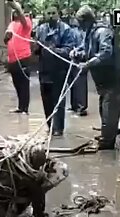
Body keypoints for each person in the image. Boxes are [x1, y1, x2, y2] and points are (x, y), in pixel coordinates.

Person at [73, 6, 120, 150]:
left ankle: (107, 144)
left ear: (86, 20)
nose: (78, 25)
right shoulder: (89, 32)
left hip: (115, 78)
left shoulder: (102, 32)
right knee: (103, 109)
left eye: (79, 22)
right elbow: (88, 50)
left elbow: (105, 53)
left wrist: (87, 64)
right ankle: (107, 135)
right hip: (104, 80)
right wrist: (78, 53)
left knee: (109, 111)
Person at [34, 5, 75, 136]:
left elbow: (69, 50)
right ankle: (50, 125)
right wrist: (36, 46)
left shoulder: (66, 29)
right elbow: (36, 50)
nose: (51, 15)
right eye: (48, 13)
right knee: (46, 100)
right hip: (44, 70)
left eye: (53, 13)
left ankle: (58, 128)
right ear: (45, 15)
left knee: (58, 100)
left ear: (58, 14)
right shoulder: (41, 29)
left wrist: (54, 50)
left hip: (59, 71)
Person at [3, 0, 32, 114]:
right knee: (17, 84)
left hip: (23, 58)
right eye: (13, 11)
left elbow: (21, 14)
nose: (15, 13)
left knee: (24, 84)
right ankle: (20, 107)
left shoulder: (26, 23)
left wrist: (15, 5)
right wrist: (6, 37)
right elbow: (6, 41)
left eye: (17, 12)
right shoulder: (11, 24)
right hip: (12, 60)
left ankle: (25, 108)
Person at [68, 17, 88, 116]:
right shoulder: (79, 32)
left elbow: (84, 47)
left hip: (79, 60)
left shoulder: (80, 33)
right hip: (76, 59)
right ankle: (76, 105)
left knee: (78, 83)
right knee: (75, 83)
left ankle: (80, 106)